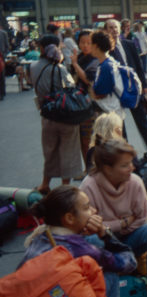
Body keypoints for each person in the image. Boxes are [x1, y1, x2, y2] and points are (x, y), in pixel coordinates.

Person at [19, 185, 137, 297]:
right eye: (87, 208)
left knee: (92, 240)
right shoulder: (81, 249)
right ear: (69, 218)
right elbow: (129, 262)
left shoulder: (40, 237)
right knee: (110, 275)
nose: (94, 211)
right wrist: (105, 233)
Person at [80, 139, 147, 297]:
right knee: (91, 239)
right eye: (125, 165)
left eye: (131, 163)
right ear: (107, 168)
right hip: (103, 244)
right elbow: (87, 226)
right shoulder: (88, 186)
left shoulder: (135, 182)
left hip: (127, 239)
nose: (132, 168)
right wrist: (124, 222)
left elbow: (141, 219)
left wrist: (107, 226)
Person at [30, 34, 83, 195]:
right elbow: (71, 86)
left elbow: (34, 85)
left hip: (47, 115)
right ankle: (65, 186)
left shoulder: (33, 66)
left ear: (41, 48)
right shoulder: (60, 68)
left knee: (50, 150)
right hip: (66, 116)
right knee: (69, 150)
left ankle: (45, 183)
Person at [105, 19, 147, 150]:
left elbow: (138, 66)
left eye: (116, 27)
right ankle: (125, 147)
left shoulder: (129, 44)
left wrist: (144, 85)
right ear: (106, 30)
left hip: (132, 87)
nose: (114, 30)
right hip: (116, 90)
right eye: (110, 28)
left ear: (119, 29)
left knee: (141, 117)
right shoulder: (105, 50)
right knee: (120, 121)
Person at [71, 30, 100, 171]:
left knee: (91, 139)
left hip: (91, 106)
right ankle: (88, 168)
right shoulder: (80, 57)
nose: (85, 45)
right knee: (83, 140)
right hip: (79, 104)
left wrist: (75, 65)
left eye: (89, 42)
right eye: (83, 42)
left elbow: (88, 79)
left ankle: (94, 168)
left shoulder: (95, 59)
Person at [91, 30, 126, 121]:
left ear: (96, 46)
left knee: (112, 135)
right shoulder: (110, 62)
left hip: (110, 112)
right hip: (114, 109)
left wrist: (92, 91)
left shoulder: (106, 66)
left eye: (90, 43)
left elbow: (100, 93)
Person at [0, 26, 9, 100]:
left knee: (1, 74)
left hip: (1, 56)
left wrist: (4, 55)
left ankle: (2, 92)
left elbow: (7, 45)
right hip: (2, 56)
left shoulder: (3, 33)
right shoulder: (3, 33)